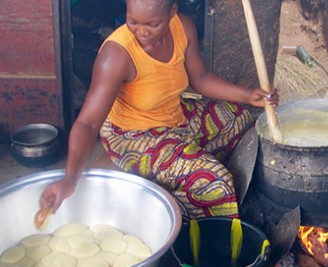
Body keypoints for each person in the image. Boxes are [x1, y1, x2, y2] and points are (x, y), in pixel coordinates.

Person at [39, 0, 279, 219]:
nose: (141, 32)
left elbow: (201, 77)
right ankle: (173, 210)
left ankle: (177, 171)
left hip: (176, 116)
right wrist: (70, 179)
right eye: (132, 21)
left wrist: (248, 95)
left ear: (172, 12)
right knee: (216, 182)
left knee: (240, 118)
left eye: (152, 24)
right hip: (133, 136)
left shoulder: (183, 27)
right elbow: (88, 123)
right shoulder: (116, 54)